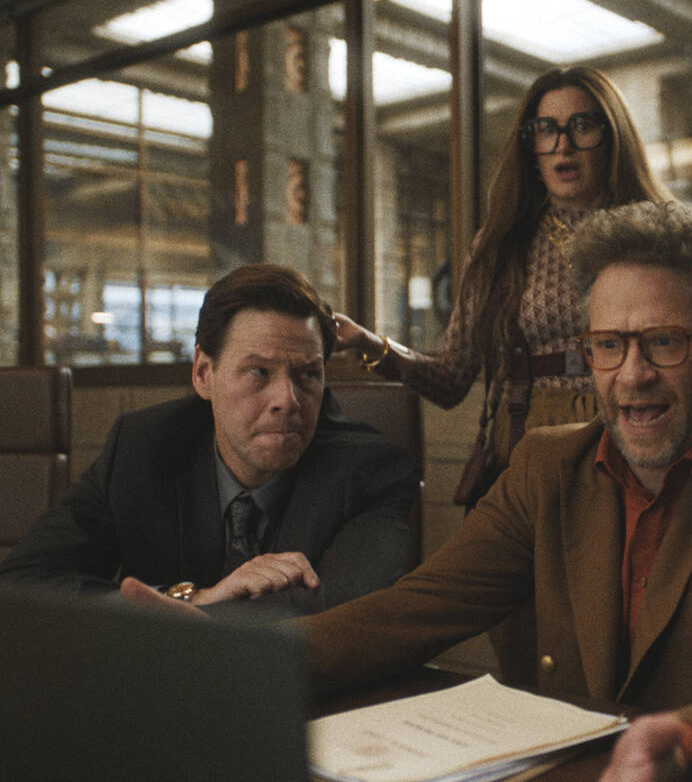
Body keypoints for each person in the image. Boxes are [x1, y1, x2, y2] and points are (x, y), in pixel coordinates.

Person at [124, 201, 692, 782]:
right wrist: (225, 659)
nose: (632, 375)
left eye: (664, 342)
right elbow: (413, 611)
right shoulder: (549, 465)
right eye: (608, 345)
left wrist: (691, 743)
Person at [334, 65, 673, 506]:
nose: (563, 145)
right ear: (530, 147)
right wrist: (367, 344)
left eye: (582, 126)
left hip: (637, 443)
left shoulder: (660, 236)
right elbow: (450, 381)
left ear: (613, 137)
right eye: (546, 130)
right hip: (526, 451)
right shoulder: (501, 245)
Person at [0, 263, 420, 618]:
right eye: (258, 372)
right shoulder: (143, 446)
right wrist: (192, 599)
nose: (287, 400)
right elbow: (23, 583)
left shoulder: (371, 470)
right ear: (203, 374)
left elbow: (345, 617)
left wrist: (188, 615)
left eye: (308, 374)